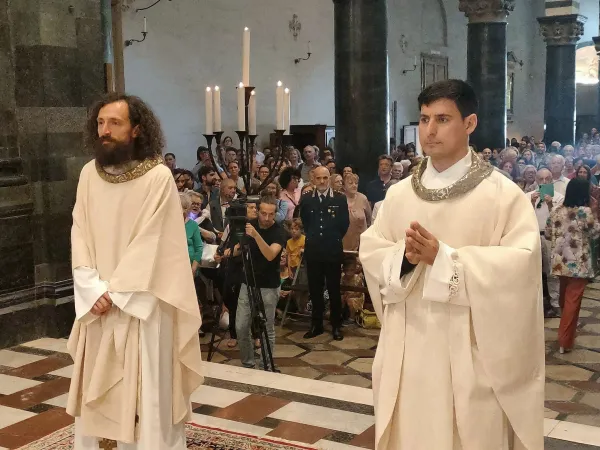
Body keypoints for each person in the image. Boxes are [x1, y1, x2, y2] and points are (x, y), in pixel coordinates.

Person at [359, 80, 544, 450]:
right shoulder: (398, 195)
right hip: (408, 348)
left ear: (470, 123)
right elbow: (373, 250)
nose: (430, 130)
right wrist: (404, 259)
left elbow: (520, 267)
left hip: (472, 351)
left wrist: (444, 259)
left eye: (443, 119)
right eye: (425, 118)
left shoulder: (502, 195)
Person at [69, 93, 203, 449]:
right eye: (100, 123)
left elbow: (154, 241)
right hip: (97, 304)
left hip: (142, 307)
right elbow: (78, 230)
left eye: (115, 123)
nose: (105, 131)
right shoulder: (87, 175)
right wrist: (91, 288)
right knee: (96, 397)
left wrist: (116, 293)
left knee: (146, 397)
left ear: (137, 129)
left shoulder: (157, 177)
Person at [546, 179, 600, 353]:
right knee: (572, 302)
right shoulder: (584, 212)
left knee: (564, 300)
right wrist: (595, 211)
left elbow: (548, 233)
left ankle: (567, 336)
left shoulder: (556, 210)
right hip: (579, 264)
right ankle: (565, 340)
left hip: (560, 263)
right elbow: (595, 232)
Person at [236, 196, 287, 369]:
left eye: (270, 214)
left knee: (267, 327)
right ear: (258, 211)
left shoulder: (279, 232)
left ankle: (266, 364)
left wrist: (256, 235)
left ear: (275, 214)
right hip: (248, 281)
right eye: (263, 213)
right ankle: (248, 362)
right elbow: (239, 246)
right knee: (241, 326)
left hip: (269, 285)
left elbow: (271, 255)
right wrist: (228, 251)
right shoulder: (250, 225)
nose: (266, 218)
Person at [300, 166, 350, 341]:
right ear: (313, 179)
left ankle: (336, 325)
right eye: (319, 178)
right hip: (313, 251)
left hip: (332, 251)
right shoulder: (306, 199)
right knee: (315, 290)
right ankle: (316, 325)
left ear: (329, 179)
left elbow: (344, 224)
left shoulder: (340, 199)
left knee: (334, 289)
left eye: (325, 178)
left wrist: (331, 239)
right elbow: (306, 223)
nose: (322, 182)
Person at [526, 168, 564, 318]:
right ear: (536, 179)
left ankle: (555, 303)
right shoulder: (528, 195)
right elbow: (522, 217)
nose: (543, 182)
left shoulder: (559, 197)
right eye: (540, 179)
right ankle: (534, 303)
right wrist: (531, 202)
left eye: (547, 179)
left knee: (552, 272)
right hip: (532, 236)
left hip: (550, 237)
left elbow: (560, 220)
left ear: (551, 180)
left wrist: (550, 205)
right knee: (532, 271)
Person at [342, 173, 371, 251]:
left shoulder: (363, 198)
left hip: (361, 242)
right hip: (344, 241)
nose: (354, 185)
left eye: (356, 183)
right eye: (350, 183)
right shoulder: (339, 199)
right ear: (344, 186)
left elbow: (369, 218)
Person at [180, 192, 204, 277]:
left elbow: (199, 248)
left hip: (189, 267)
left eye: (185, 208)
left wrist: (193, 269)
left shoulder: (193, 225)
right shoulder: (169, 224)